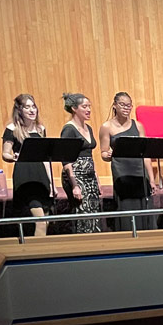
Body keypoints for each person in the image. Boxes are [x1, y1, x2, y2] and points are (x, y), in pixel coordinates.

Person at [99, 91, 159, 231]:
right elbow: (103, 153)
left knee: (144, 207)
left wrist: (151, 179)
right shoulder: (106, 127)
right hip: (122, 173)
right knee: (127, 208)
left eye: (129, 106)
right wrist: (107, 155)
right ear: (115, 105)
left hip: (139, 172)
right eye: (122, 105)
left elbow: (146, 155)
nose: (126, 108)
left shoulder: (138, 126)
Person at [1, 93, 52, 236]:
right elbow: (5, 153)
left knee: (46, 221)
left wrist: (52, 183)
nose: (32, 110)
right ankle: (38, 256)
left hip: (41, 177)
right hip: (25, 177)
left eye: (33, 107)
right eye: (27, 107)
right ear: (20, 111)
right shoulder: (12, 128)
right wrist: (13, 157)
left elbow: (45, 158)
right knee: (40, 221)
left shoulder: (41, 129)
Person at [59, 93, 102, 234]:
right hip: (76, 176)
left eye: (89, 106)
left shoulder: (88, 128)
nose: (88, 110)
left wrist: (97, 179)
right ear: (74, 109)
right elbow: (65, 160)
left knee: (94, 212)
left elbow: (89, 156)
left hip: (89, 176)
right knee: (82, 212)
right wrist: (75, 185)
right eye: (85, 107)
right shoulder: (69, 129)